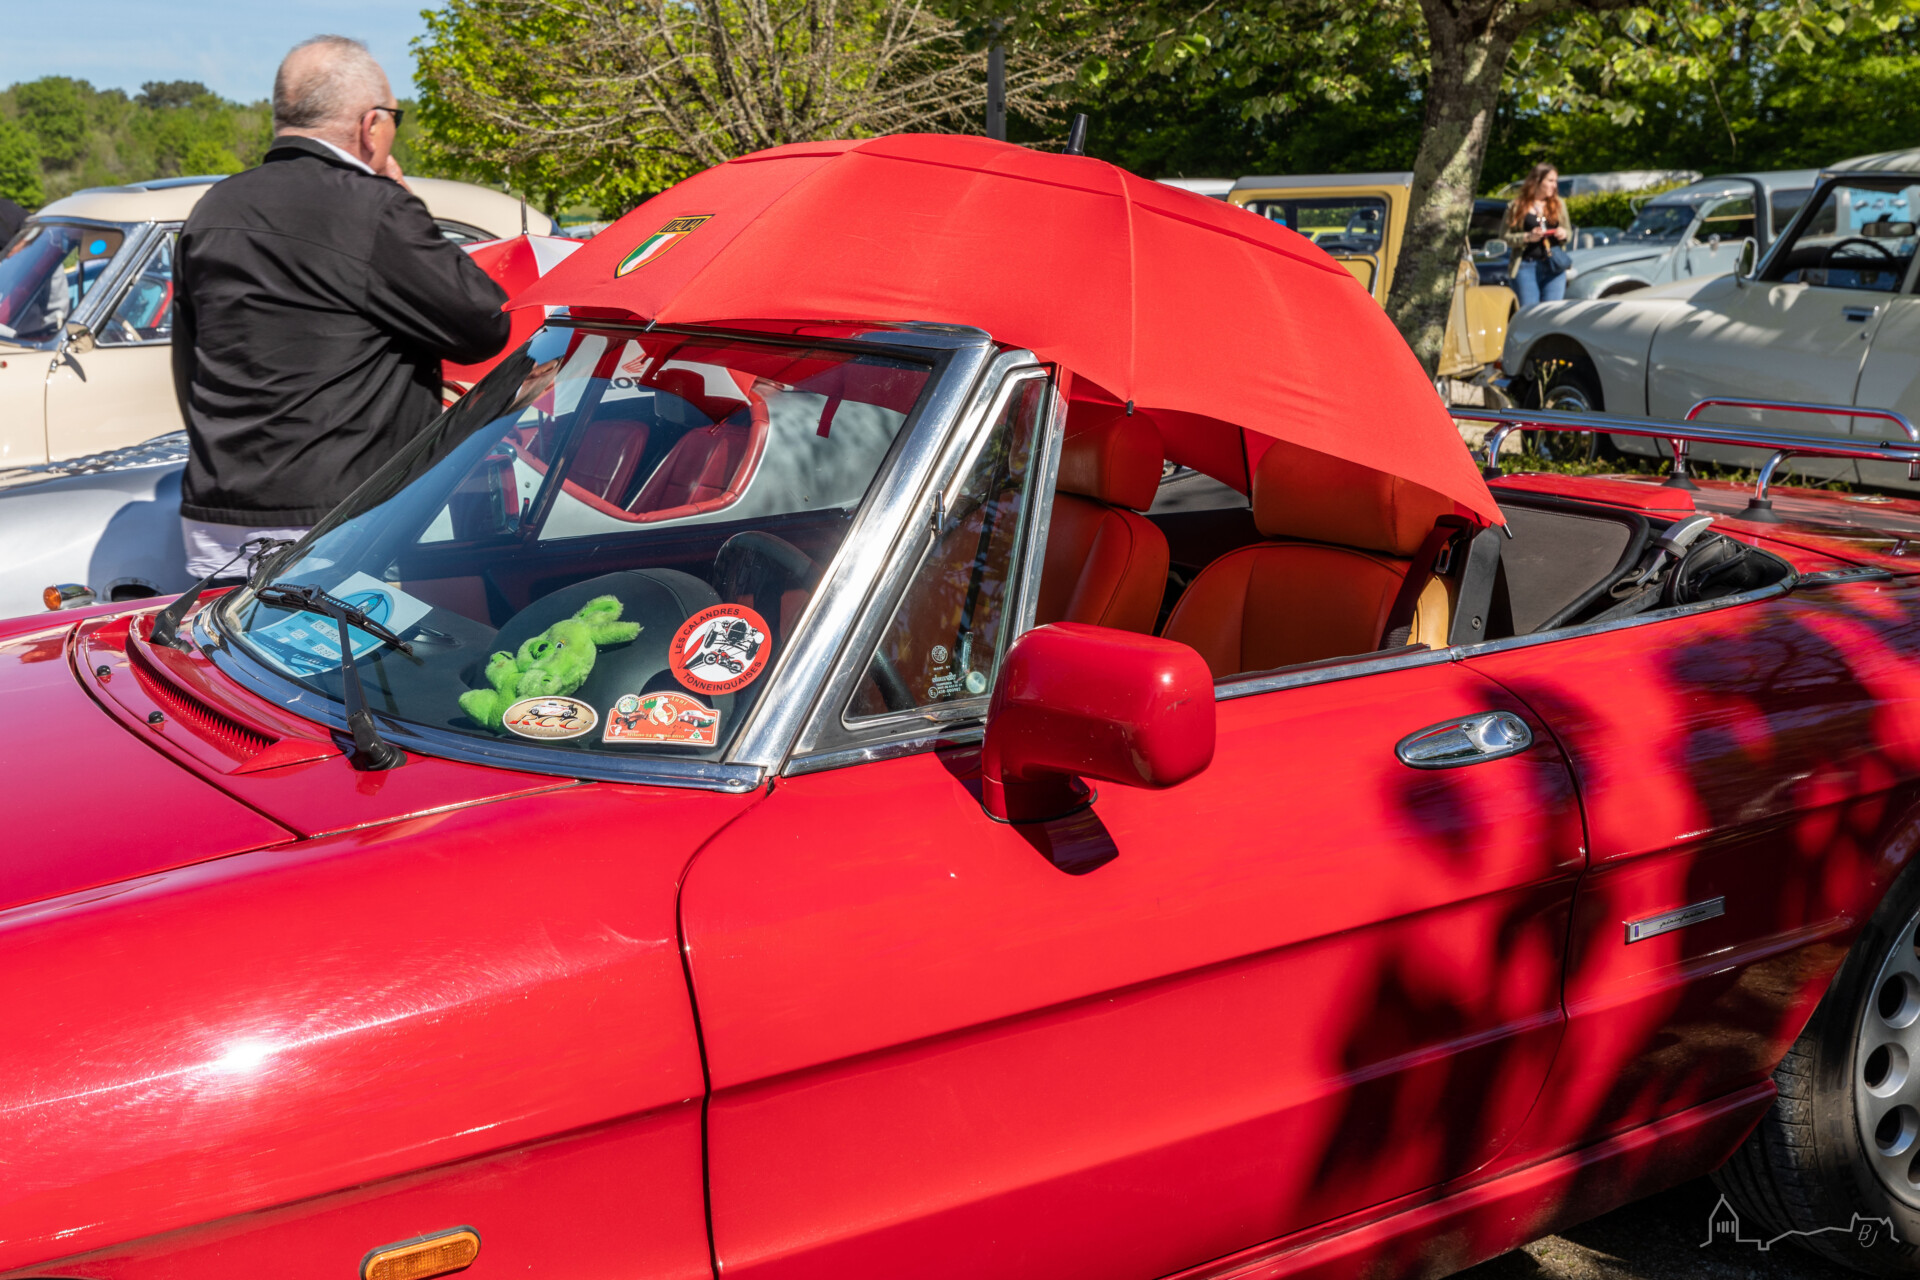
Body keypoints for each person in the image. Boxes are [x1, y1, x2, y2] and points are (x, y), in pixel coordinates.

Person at [172, 35, 510, 583]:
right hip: (341, 517)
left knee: (227, 643)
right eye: (394, 118)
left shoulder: (212, 208)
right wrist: (402, 197)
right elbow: (484, 322)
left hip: (218, 511)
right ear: (371, 124)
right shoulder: (374, 207)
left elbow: (188, 366)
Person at [1506, 163, 1572, 310]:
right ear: (1537, 181)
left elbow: (1568, 232)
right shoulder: (1516, 206)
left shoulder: (1559, 204)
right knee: (1530, 313)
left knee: (1551, 313)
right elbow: (1505, 237)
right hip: (1526, 267)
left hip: (1554, 266)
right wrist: (1528, 237)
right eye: (1550, 181)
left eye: (1555, 181)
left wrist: (1563, 233)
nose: (1555, 185)